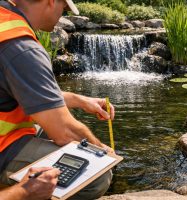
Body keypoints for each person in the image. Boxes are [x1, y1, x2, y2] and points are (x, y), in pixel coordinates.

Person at [0, 0, 115, 199]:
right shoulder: (22, 48)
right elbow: (64, 131)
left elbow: (25, 90)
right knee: (98, 176)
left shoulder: (4, 20)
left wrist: (79, 100)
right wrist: (104, 153)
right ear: (51, 1)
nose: (63, 15)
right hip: (3, 145)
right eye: (64, 8)